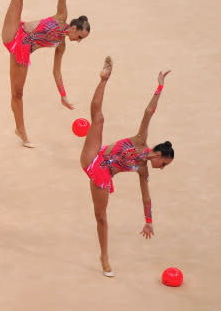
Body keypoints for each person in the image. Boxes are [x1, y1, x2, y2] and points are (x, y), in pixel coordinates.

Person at [80, 56, 174, 277]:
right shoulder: (141, 140)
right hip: (95, 156)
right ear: (159, 154)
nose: (162, 167)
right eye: (164, 163)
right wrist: (159, 86)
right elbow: (149, 112)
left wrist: (148, 222)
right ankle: (104, 78)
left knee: (101, 217)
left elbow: (146, 197)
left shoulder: (143, 169)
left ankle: (104, 257)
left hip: (102, 174)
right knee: (98, 119)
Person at [2, 0, 90, 147]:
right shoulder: (61, 17)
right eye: (79, 37)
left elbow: (56, 72)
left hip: (22, 51)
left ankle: (20, 130)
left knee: (17, 94)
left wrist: (63, 95)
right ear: (74, 27)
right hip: (17, 31)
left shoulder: (62, 45)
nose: (78, 41)